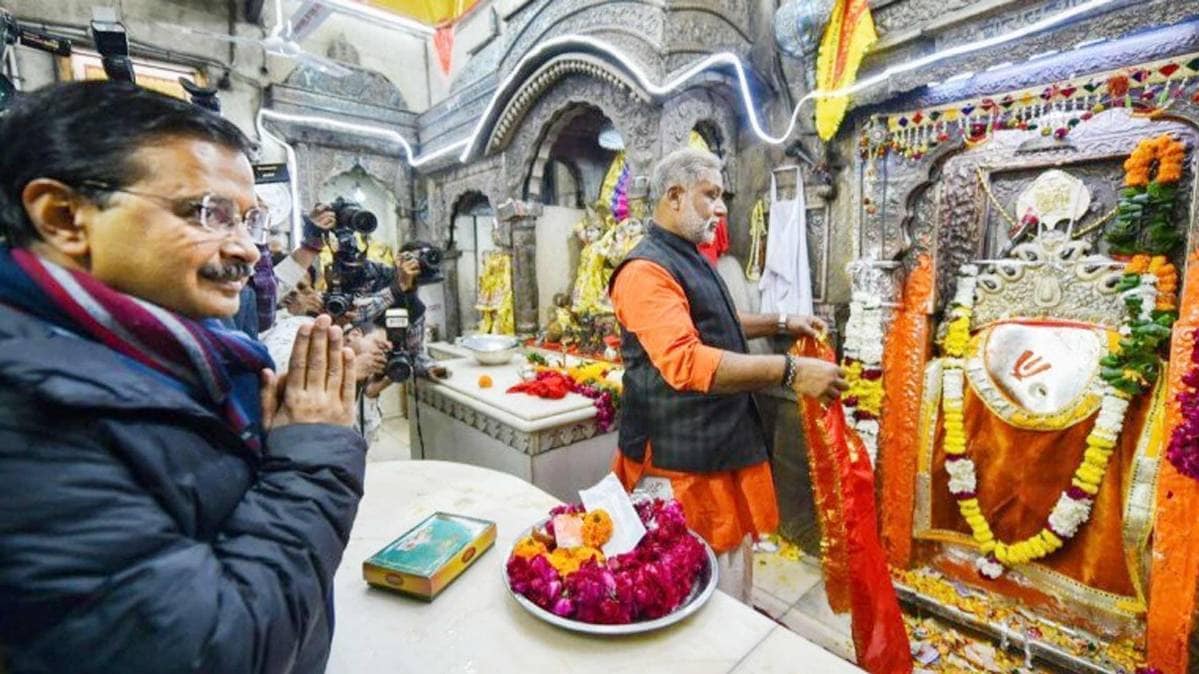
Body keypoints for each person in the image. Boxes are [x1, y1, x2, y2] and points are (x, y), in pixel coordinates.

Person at [0, 80, 365, 673]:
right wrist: (311, 457)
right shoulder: (26, 420)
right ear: (64, 217)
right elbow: (216, 652)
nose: (248, 249)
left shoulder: (196, 352)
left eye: (250, 219)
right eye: (209, 213)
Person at [607, 147, 848, 603]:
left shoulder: (687, 254)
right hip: (681, 466)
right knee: (694, 594)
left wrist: (781, 322)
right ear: (674, 196)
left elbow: (715, 319)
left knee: (731, 586)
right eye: (710, 195)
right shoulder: (643, 271)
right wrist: (791, 370)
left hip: (715, 445)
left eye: (721, 195)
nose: (721, 207)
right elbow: (686, 361)